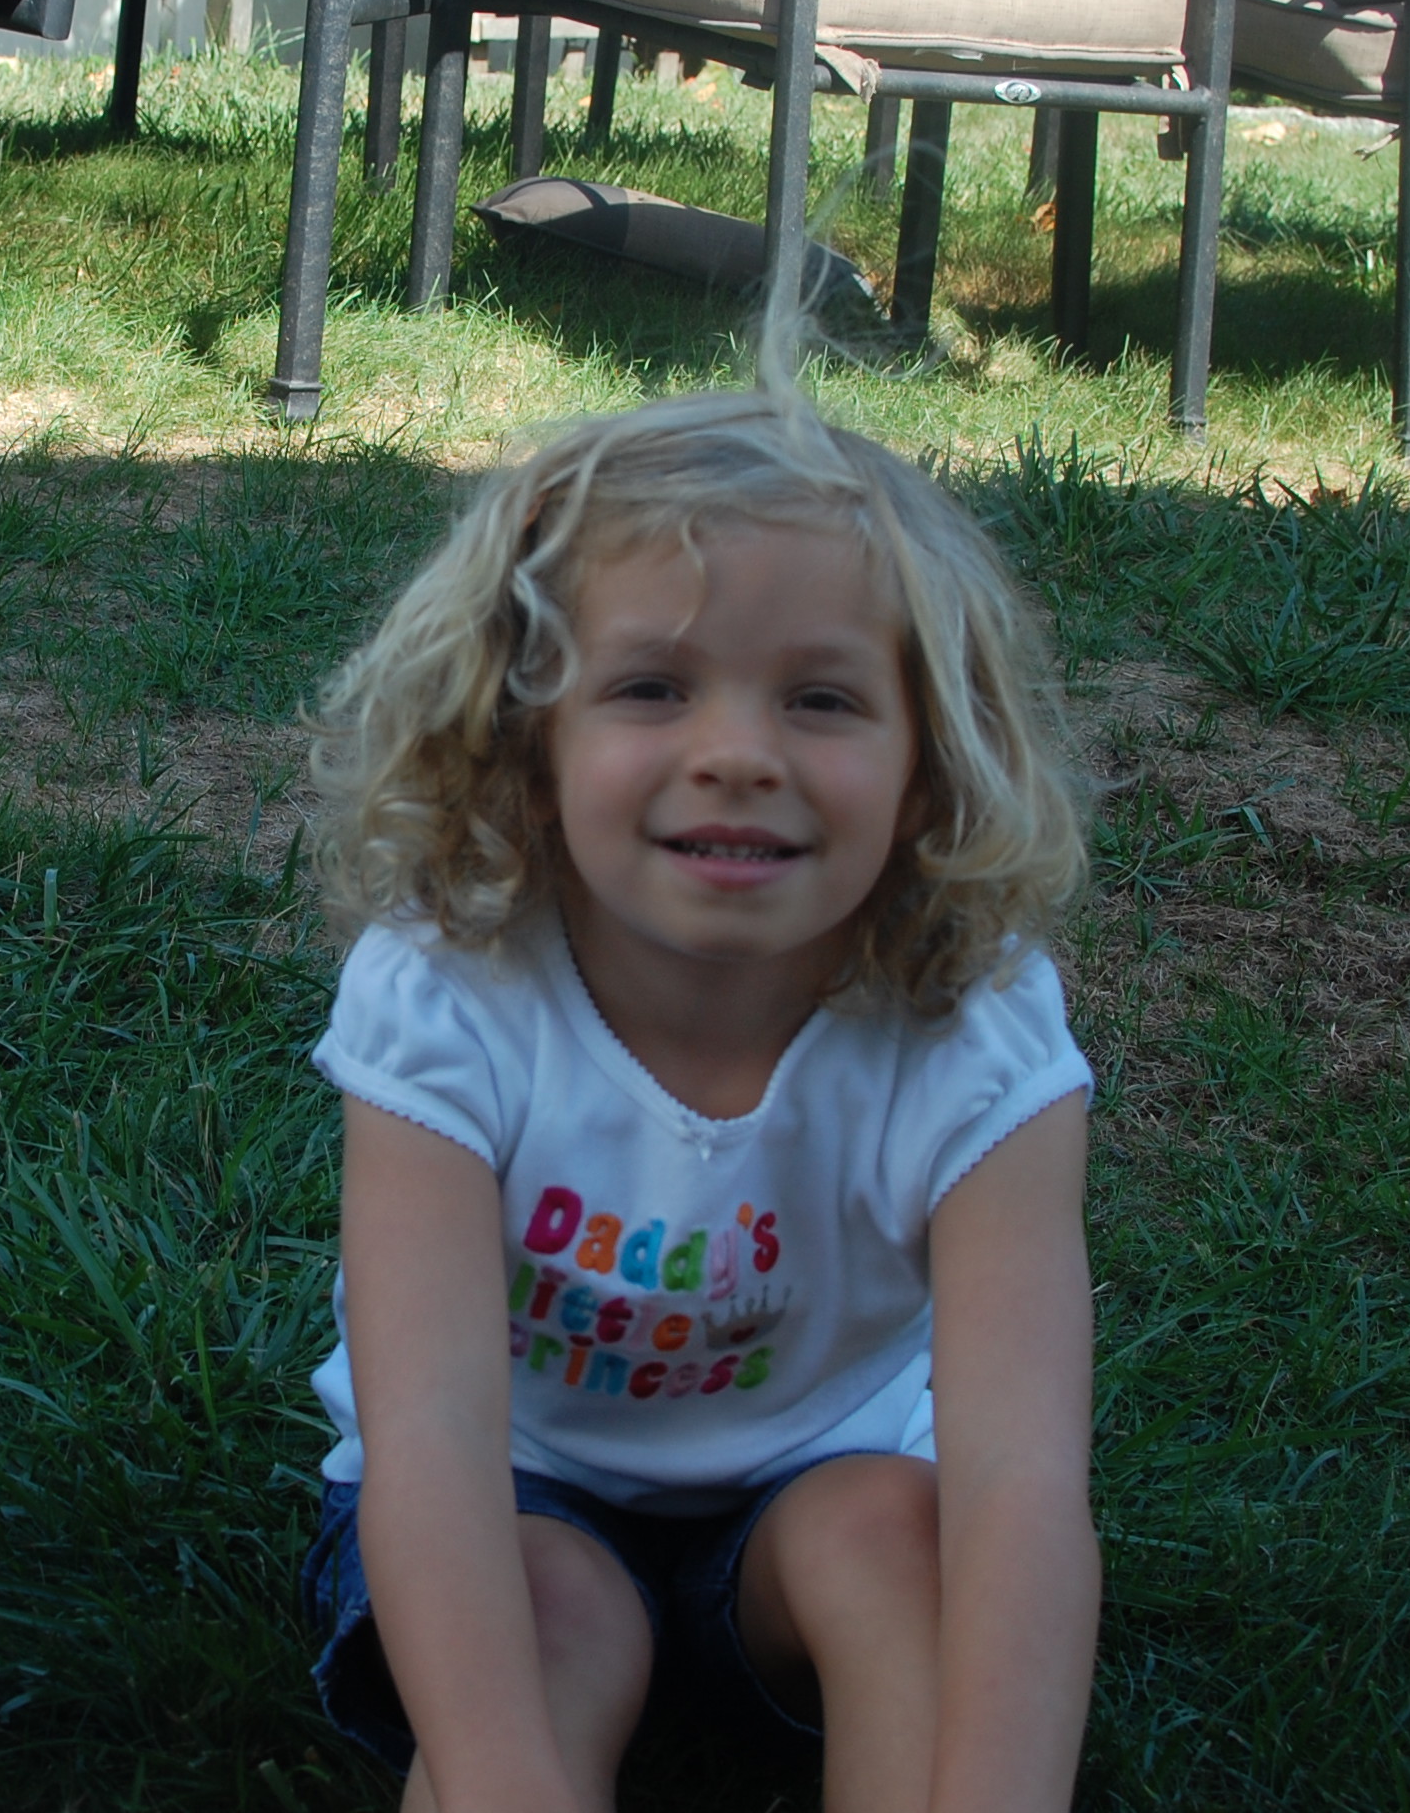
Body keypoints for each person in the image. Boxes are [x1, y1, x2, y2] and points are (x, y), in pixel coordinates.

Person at [296, 384, 1098, 1813]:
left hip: (827, 1499)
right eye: (653, 688)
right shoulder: (447, 993)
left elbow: (1020, 1483)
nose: (739, 752)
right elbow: (430, 1444)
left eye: (822, 698)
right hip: (514, 1499)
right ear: (526, 742)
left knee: (898, 1551)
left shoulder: (975, 1026)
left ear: (928, 769)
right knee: (553, 1617)